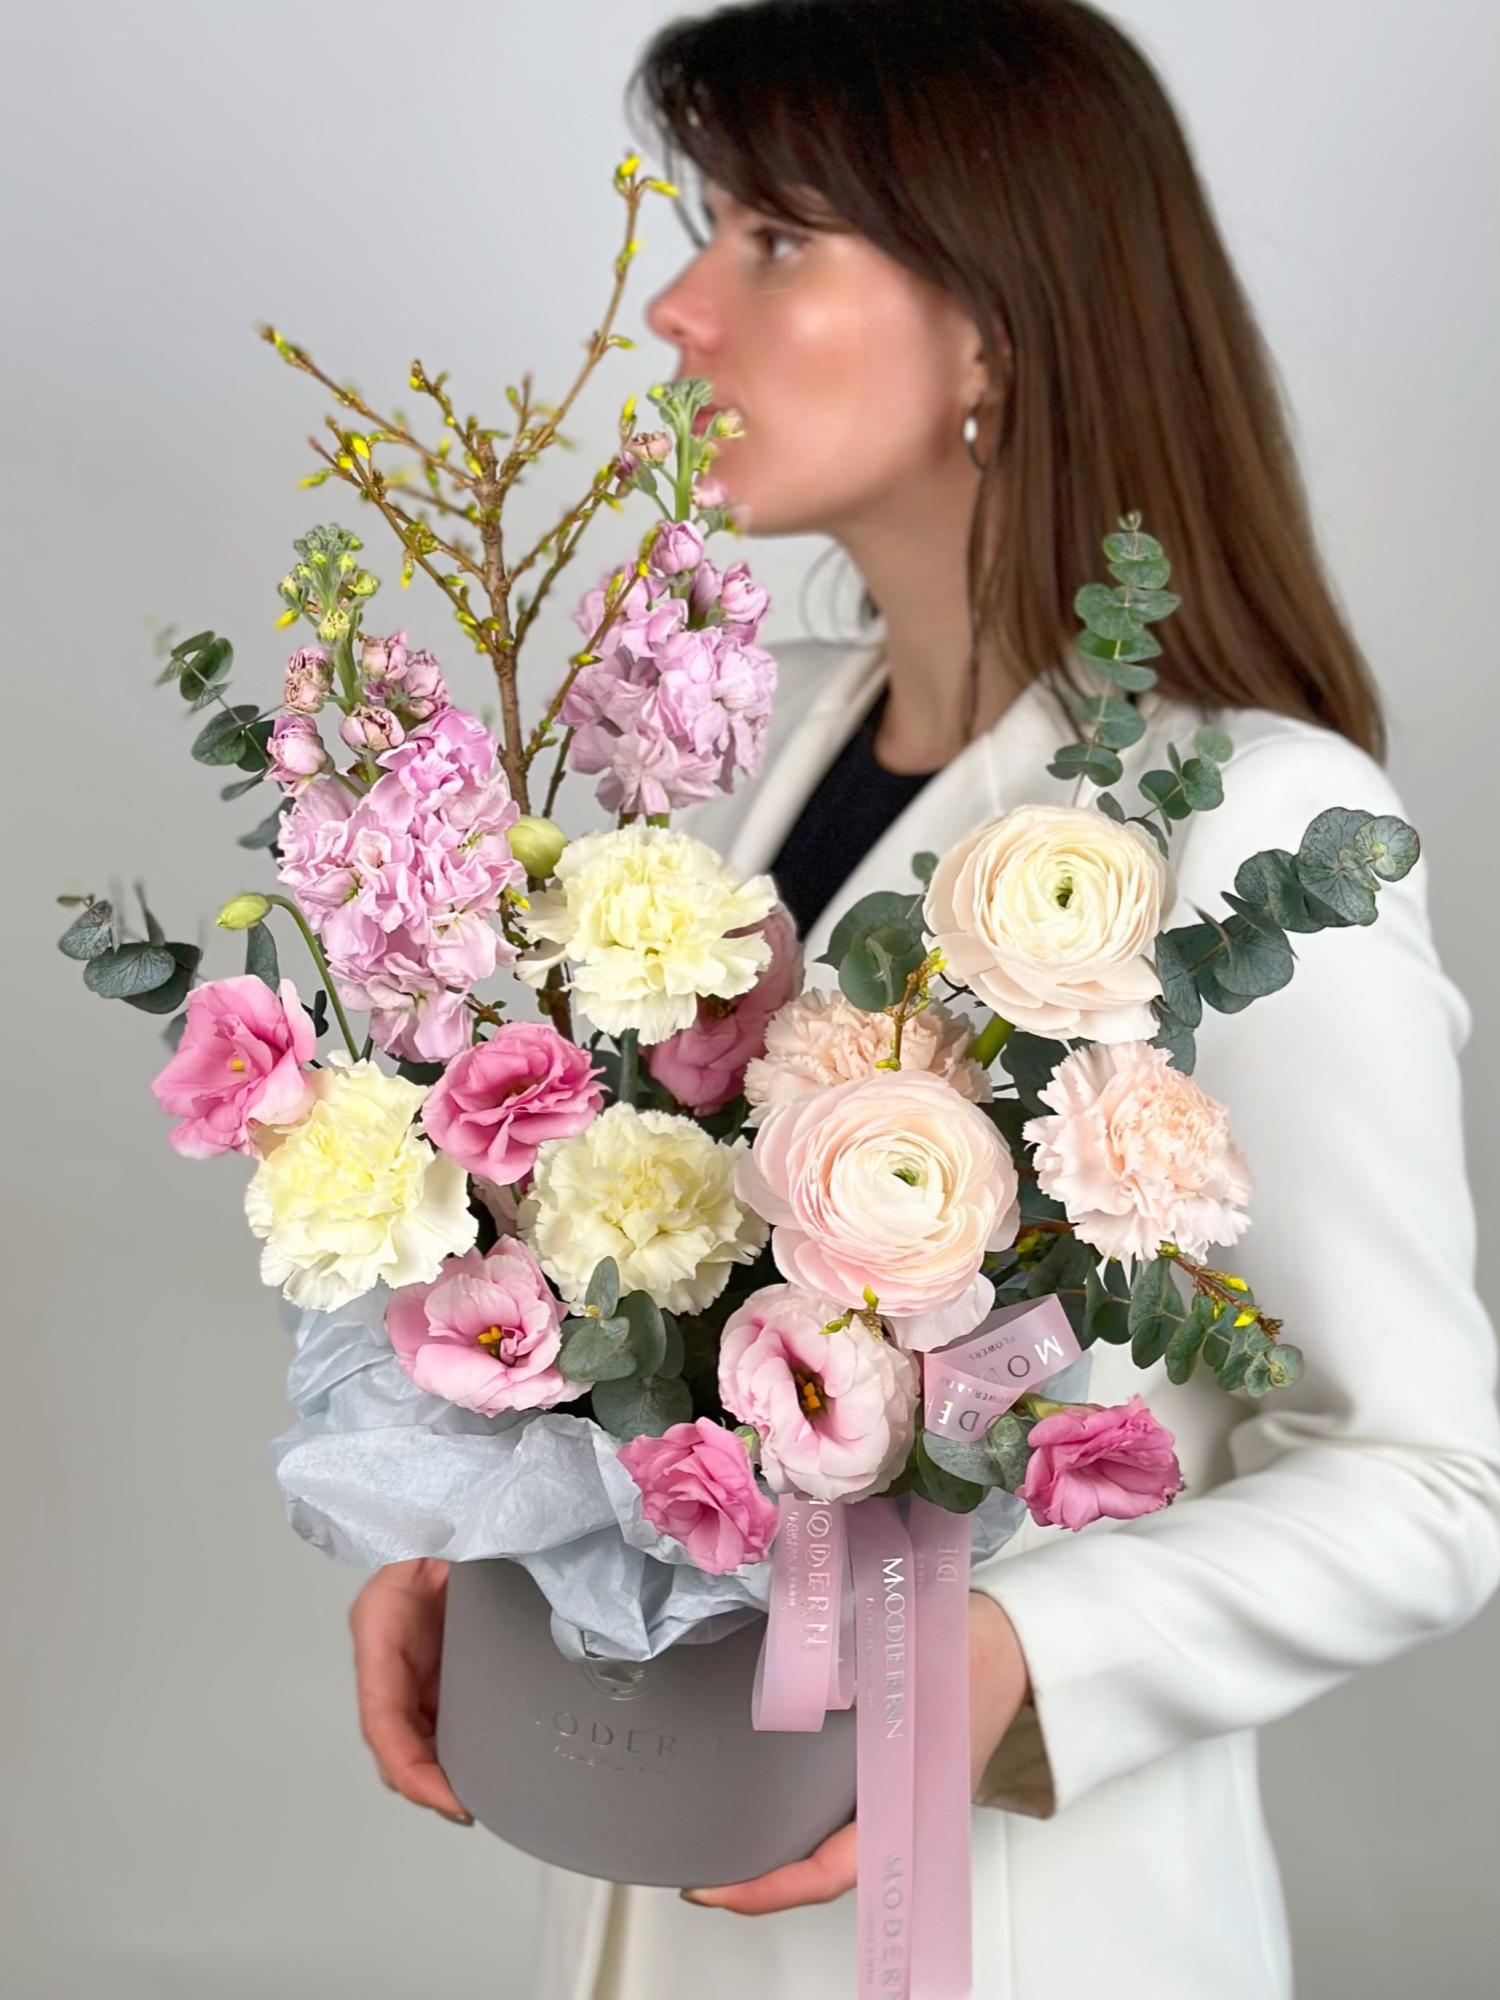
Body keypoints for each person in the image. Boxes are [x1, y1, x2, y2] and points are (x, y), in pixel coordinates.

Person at [346, 3, 1500, 1993]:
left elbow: (1425, 1479)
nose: (682, 311)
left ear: (996, 323)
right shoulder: (729, 762)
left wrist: (1012, 1655)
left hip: (1016, 1929)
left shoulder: (1252, 826)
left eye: (777, 239)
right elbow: (671, 1338)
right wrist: (502, 1544)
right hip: (642, 1880)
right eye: (707, 233)